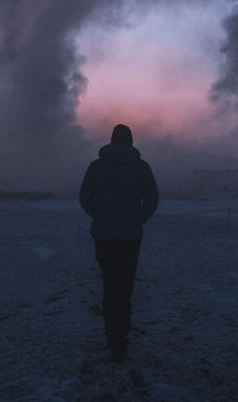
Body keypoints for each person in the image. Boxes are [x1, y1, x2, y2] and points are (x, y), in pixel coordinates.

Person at [79, 123, 159, 362]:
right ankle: (121, 338)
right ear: (131, 141)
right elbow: (153, 199)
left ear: (112, 141)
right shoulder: (141, 168)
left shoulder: (97, 167)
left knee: (109, 284)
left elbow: (85, 198)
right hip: (130, 237)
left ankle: (112, 338)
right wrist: (137, 219)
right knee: (125, 287)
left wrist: (101, 216)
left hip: (104, 236)